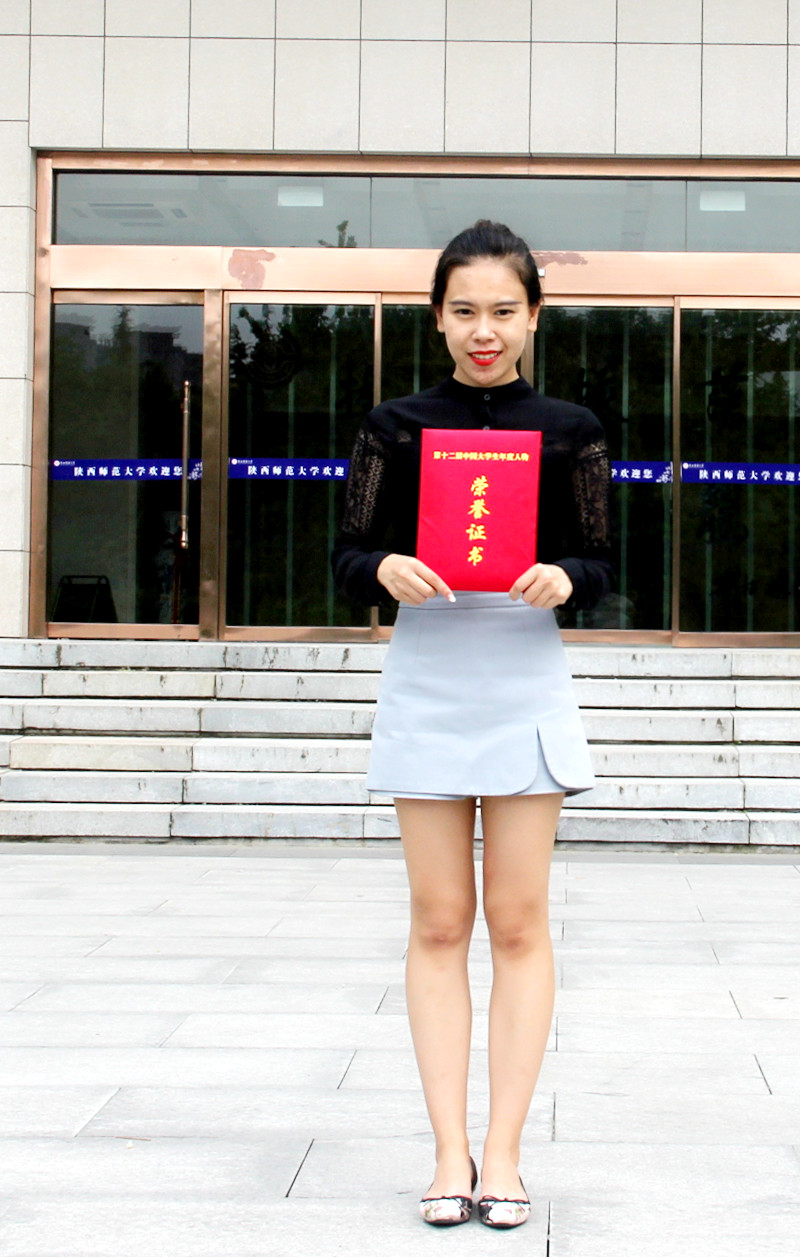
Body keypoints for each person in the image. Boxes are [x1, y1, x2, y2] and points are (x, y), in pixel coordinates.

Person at [331, 220, 612, 1230]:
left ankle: (504, 1156)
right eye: (464, 312)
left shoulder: (570, 427)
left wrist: (565, 576)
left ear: (533, 316)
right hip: (431, 672)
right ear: (437, 319)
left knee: (519, 922)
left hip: (522, 672)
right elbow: (348, 553)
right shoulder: (394, 424)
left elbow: (601, 559)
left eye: (501, 311)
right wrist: (383, 568)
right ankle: (448, 1154)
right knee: (440, 920)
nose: (482, 331)